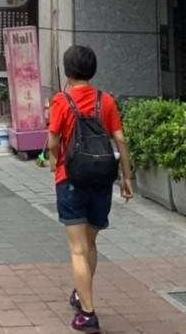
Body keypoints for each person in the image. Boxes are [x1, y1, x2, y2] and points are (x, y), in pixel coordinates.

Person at [46, 45, 133, 332]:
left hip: (70, 179)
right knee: (91, 244)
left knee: (78, 249)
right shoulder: (105, 100)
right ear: (92, 70)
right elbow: (120, 139)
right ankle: (82, 294)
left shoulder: (62, 101)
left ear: (68, 71)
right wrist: (127, 178)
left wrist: (54, 161)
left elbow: (53, 141)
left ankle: (88, 313)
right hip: (101, 179)